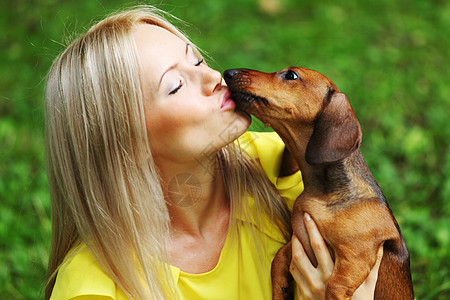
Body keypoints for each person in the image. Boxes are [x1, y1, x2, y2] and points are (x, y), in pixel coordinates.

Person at [44, 6, 383, 300]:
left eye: (198, 60)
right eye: (175, 85)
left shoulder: (285, 167)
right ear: (126, 145)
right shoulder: (94, 289)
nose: (212, 77)